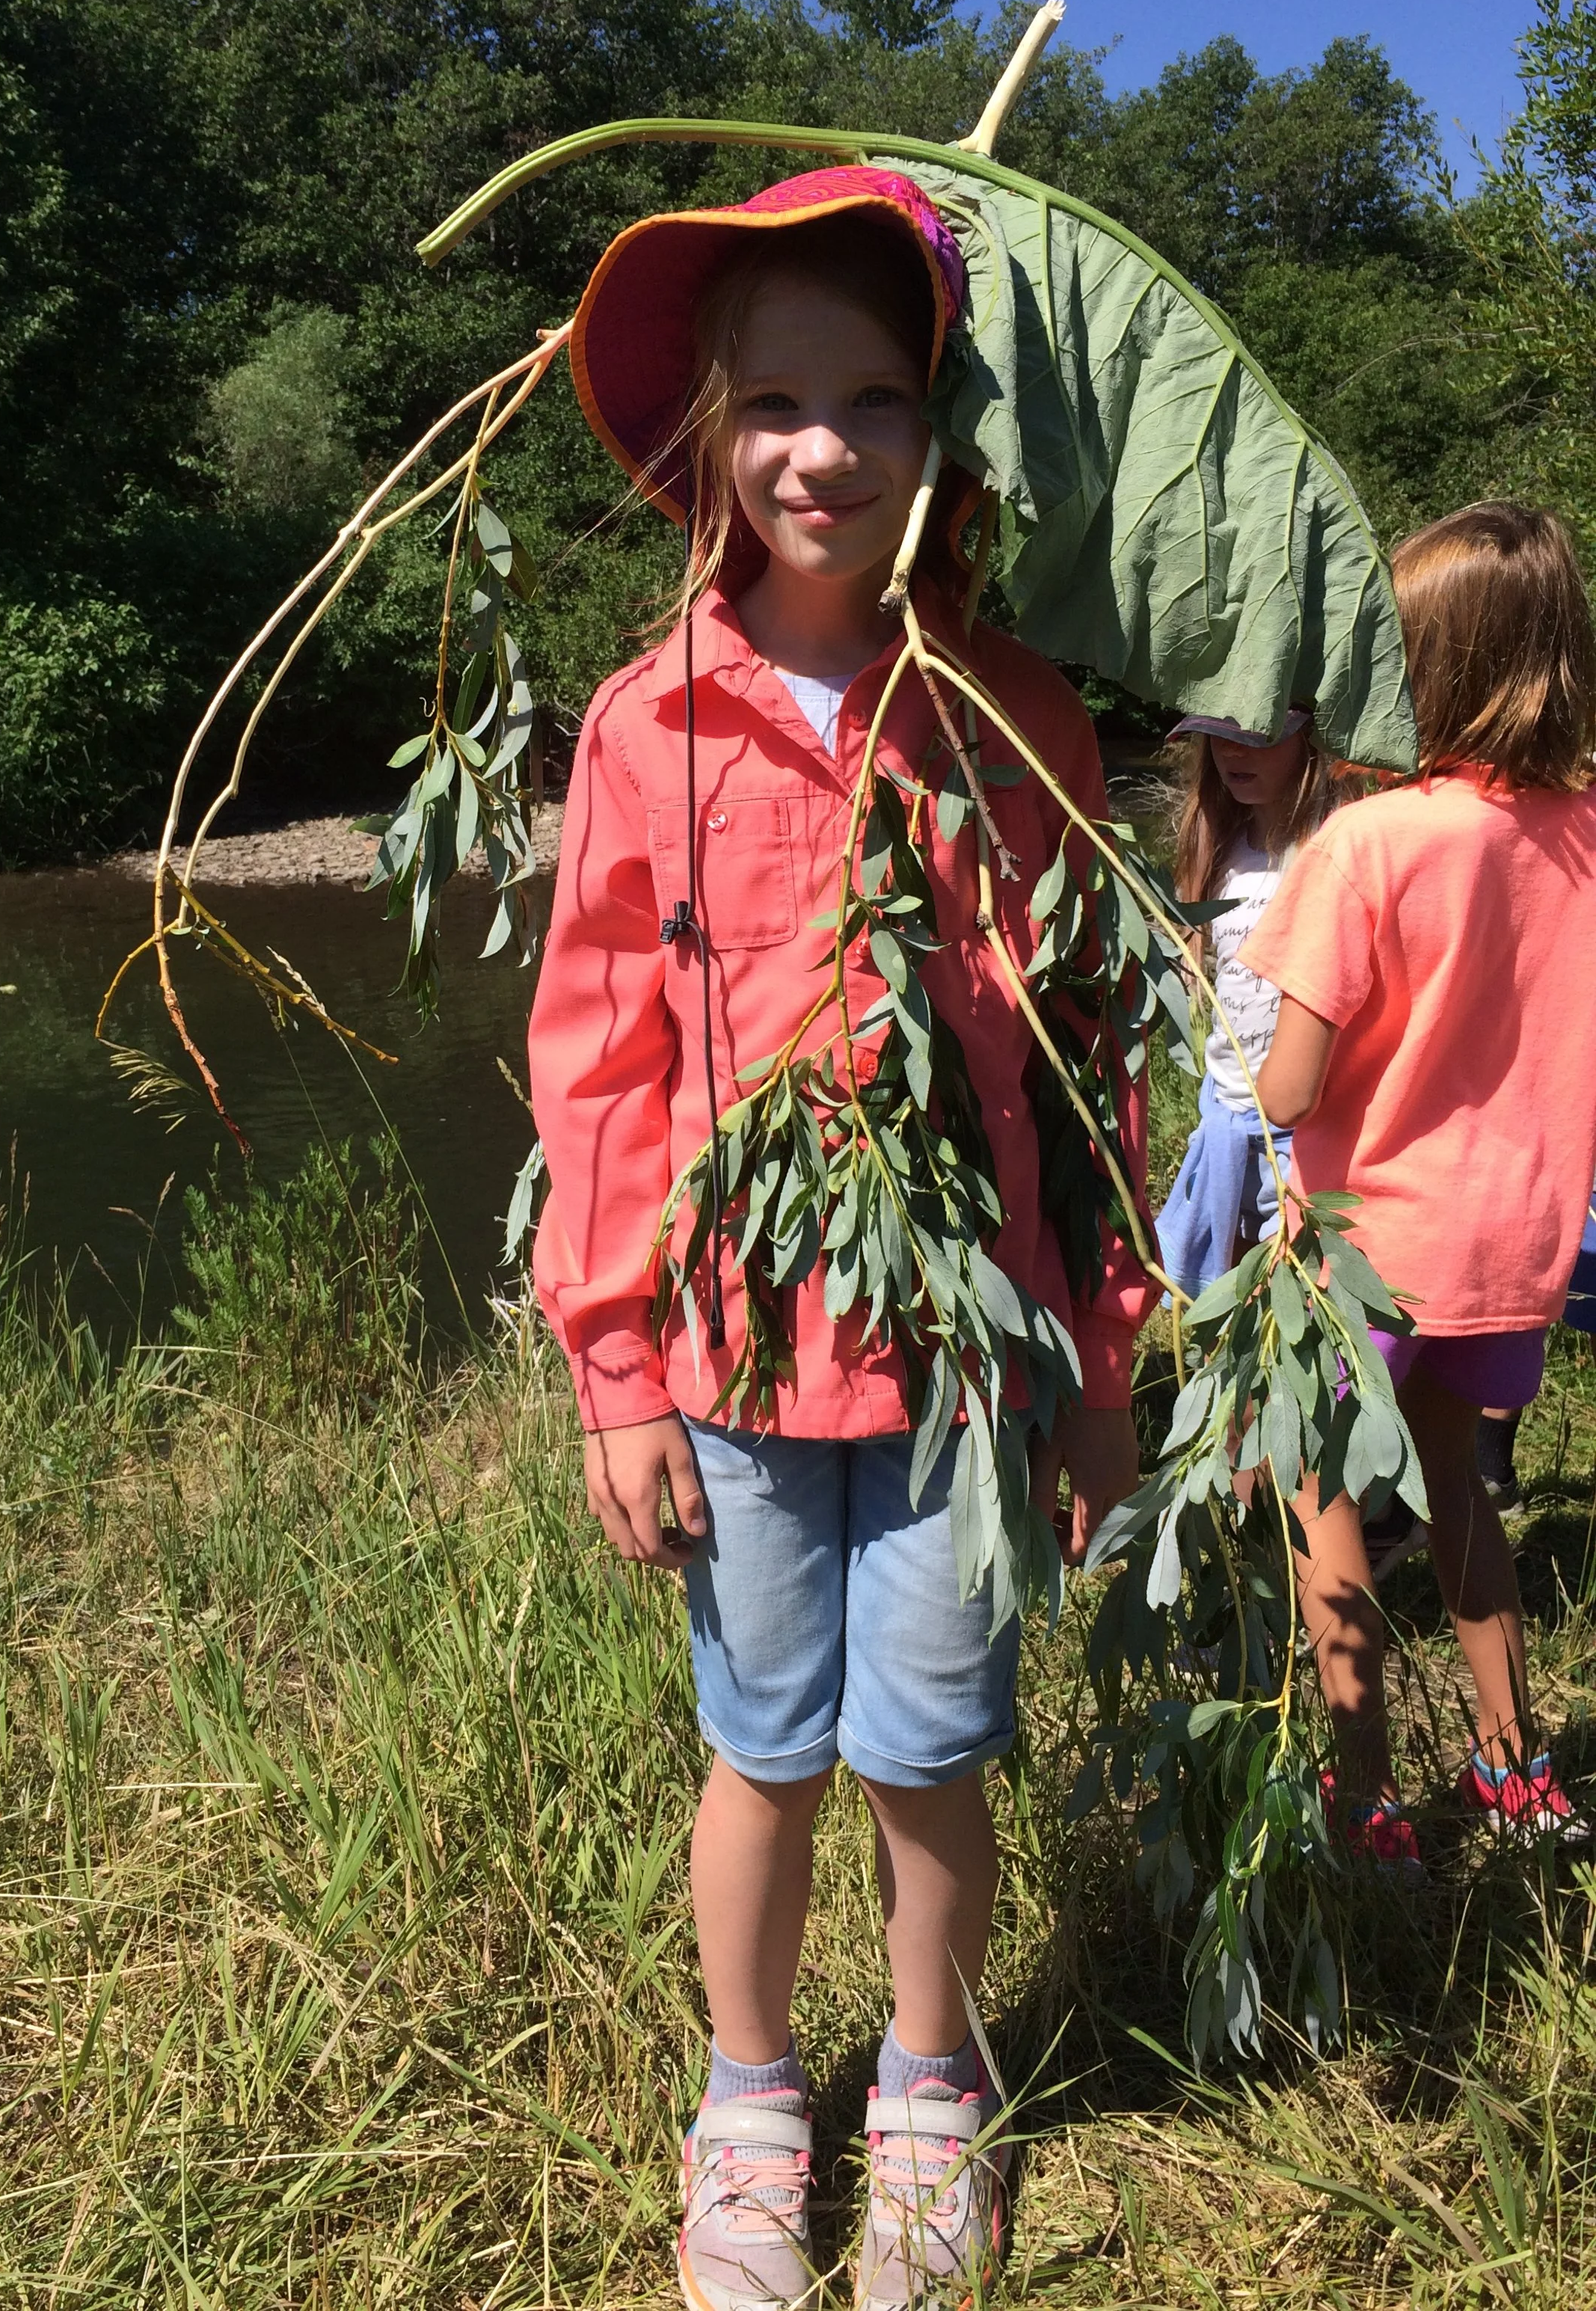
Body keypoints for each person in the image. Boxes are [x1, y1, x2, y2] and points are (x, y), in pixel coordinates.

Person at [527, 167, 1153, 2310]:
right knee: (763, 1745)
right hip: (730, 1358)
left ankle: (928, 2082)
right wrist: (613, 1364)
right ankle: (746, 2094)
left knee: (929, 1746)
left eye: (874, 400)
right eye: (776, 403)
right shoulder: (642, 729)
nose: (823, 450)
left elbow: (1090, 1080)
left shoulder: (1013, 726)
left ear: (936, 436)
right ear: (708, 434)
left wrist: (1108, 1348)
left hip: (969, 1371)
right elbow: (596, 1066)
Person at [1247, 500, 1596, 1868]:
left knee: (1326, 1498)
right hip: (1518, 1241)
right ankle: (1518, 1776)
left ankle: (1366, 1796)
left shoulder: (1369, 842)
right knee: (1458, 1489)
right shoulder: (1583, 837)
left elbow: (1287, 1088)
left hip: (1371, 1243)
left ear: (1427, 662)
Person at [1153, 710, 1341, 1295]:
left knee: (1288, 1295)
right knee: (1223, 1294)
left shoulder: (1328, 848)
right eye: (1219, 738)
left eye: (1257, 737)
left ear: (1309, 736)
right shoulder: (1221, 850)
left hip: (1305, 1127)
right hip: (1229, 1106)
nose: (1234, 753)